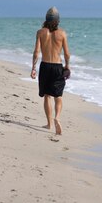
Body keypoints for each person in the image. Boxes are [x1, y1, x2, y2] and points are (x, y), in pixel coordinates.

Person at [31, 7, 70, 135]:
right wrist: (67, 66)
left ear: (46, 19)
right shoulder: (62, 33)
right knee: (58, 96)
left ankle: (49, 124)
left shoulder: (40, 32)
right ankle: (57, 117)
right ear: (58, 20)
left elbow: (36, 52)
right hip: (58, 66)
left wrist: (33, 68)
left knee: (47, 96)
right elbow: (67, 54)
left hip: (45, 66)